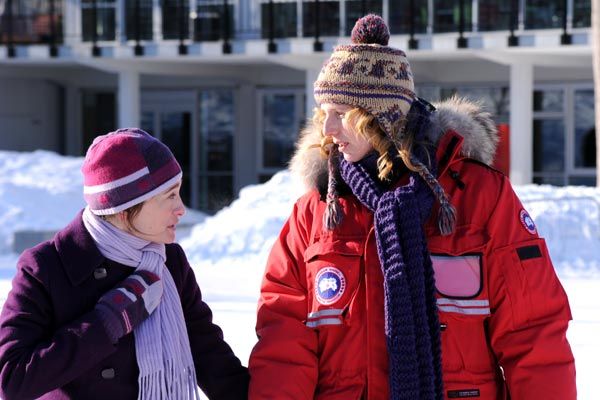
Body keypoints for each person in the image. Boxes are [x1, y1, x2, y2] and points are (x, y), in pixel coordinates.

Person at [248, 14, 576, 400]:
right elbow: (284, 345)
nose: (327, 130)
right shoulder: (317, 212)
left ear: (379, 118)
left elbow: (533, 333)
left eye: (340, 114)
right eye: (324, 114)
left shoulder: (479, 198)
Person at [0, 128, 248, 399]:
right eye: (170, 196)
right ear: (124, 206)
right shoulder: (47, 267)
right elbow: (11, 379)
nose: (181, 209)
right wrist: (106, 323)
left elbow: (211, 357)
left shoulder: (169, 261)